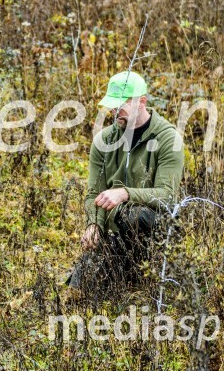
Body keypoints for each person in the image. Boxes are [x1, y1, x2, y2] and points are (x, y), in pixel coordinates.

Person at [67, 71, 184, 292]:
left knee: (135, 215)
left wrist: (125, 193)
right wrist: (94, 224)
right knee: (78, 289)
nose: (113, 111)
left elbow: (168, 196)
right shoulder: (103, 140)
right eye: (112, 106)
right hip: (115, 231)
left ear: (141, 102)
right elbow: (94, 194)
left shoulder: (168, 138)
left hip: (156, 229)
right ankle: (120, 275)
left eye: (120, 105)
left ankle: (143, 277)